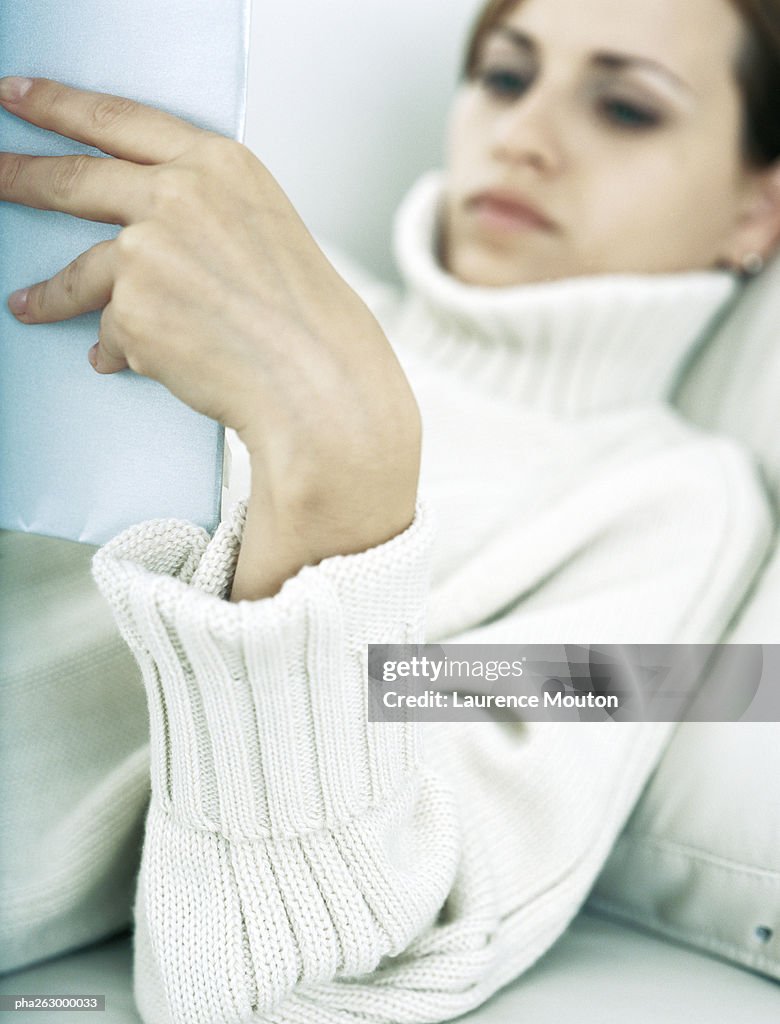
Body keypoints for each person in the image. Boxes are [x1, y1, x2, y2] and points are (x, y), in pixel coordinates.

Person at [1, 0, 779, 1020]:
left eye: (627, 109)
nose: (524, 136)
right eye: (505, 76)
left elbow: (272, 984)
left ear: (758, 210)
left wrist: (341, 469)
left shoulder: (671, 509)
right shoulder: (221, 284)